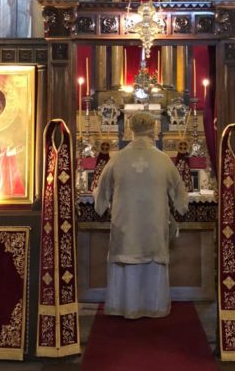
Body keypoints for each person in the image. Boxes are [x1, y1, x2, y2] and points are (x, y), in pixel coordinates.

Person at [93, 111, 188, 319]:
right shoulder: (163, 159)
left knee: (127, 257)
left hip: (126, 224)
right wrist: (181, 207)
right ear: (153, 130)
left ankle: (125, 306)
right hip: (154, 224)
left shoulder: (117, 159)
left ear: (131, 130)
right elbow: (180, 190)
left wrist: (101, 204)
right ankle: (153, 306)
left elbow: (101, 191)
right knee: (152, 257)